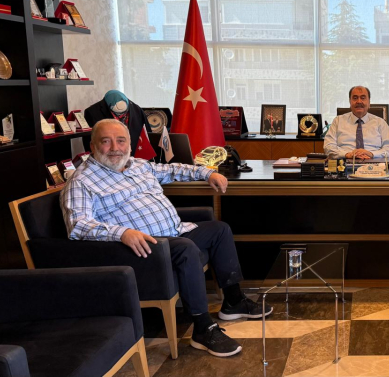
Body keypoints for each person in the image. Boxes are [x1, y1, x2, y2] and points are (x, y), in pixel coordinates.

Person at [60, 119, 272, 358]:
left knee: (219, 230)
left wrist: (207, 172)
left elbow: (173, 170)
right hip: (140, 248)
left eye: (120, 141)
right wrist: (122, 233)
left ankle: (233, 301)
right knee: (186, 249)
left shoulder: (137, 165)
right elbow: (78, 225)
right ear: (92, 145)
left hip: (174, 232)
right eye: (106, 142)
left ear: (129, 144)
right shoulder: (82, 181)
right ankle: (202, 328)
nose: (115, 148)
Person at [324, 85, 389, 160]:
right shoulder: (338, 121)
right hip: (344, 162)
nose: (359, 101)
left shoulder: (380, 122)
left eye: (363, 98)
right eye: (355, 98)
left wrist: (371, 154)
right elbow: (328, 146)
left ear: (369, 102)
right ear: (350, 102)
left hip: (375, 163)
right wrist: (347, 154)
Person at [84, 90, 151, 157]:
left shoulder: (136, 109)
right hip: (107, 156)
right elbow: (88, 140)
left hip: (136, 153)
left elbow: (147, 132)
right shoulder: (92, 112)